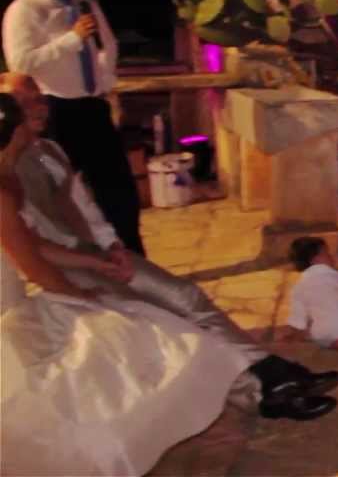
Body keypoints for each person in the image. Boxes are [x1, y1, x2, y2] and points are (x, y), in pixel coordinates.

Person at [0, 72, 338, 421]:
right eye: (23, 103)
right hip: (64, 268)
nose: (37, 107)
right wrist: (81, 271)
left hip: (93, 254)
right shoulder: (7, 170)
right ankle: (264, 390)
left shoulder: (45, 153)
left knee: (185, 299)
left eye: (39, 98)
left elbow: (81, 201)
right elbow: (31, 244)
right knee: (170, 328)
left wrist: (111, 244)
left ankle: (271, 373)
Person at [0, 93, 248, 476]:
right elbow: (32, 265)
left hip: (24, 283)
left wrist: (94, 261)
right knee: (84, 364)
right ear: (13, 131)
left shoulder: (9, 175)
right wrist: (81, 295)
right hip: (11, 297)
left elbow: (35, 244)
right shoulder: (1, 187)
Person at [2, 0, 144, 255]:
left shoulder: (86, 4)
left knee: (119, 191)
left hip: (92, 108)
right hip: (54, 110)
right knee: (62, 196)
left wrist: (104, 81)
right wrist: (71, 39)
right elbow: (20, 62)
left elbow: (108, 46)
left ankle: (135, 261)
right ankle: (78, 266)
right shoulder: (24, 9)